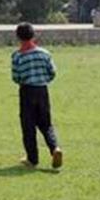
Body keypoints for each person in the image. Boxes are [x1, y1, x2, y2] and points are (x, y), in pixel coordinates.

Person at [11, 22, 64, 169]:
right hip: (42, 91)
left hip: (27, 91)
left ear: (18, 37)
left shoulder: (17, 56)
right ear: (33, 35)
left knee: (28, 126)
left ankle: (32, 159)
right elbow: (52, 72)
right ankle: (55, 148)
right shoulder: (44, 53)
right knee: (46, 124)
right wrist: (43, 80)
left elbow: (16, 77)